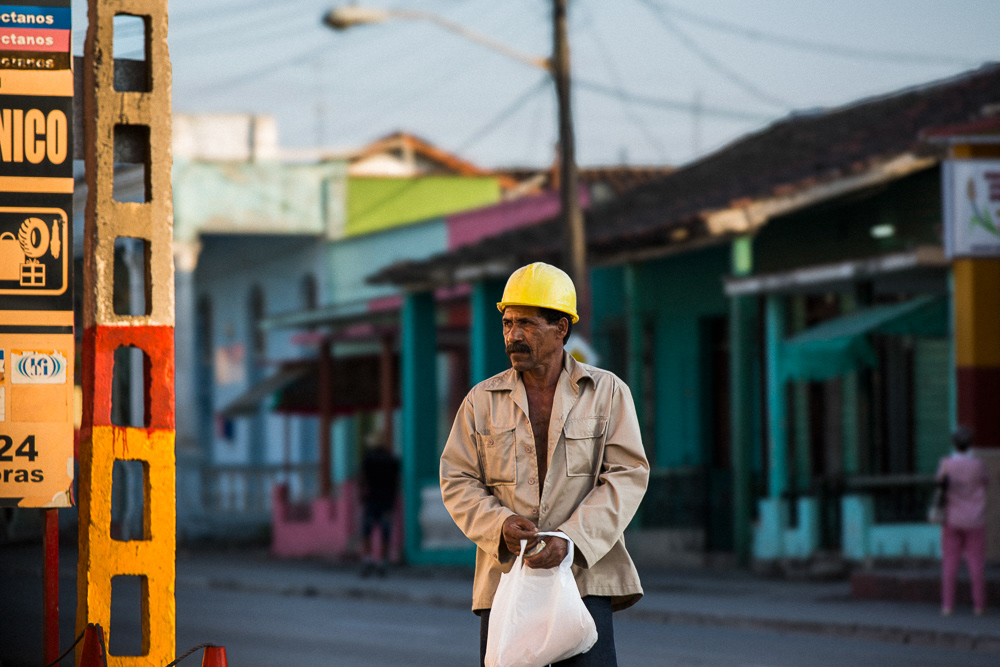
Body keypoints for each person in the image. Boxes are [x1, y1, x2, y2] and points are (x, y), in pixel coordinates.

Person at [440, 262, 649, 666]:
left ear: (561, 329)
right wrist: (498, 525)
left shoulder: (607, 393)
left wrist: (570, 540)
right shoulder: (480, 402)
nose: (514, 335)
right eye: (507, 323)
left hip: (584, 582)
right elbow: (457, 478)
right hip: (507, 584)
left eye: (528, 324)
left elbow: (628, 475)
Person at [937, 425, 990, 616]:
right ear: (970, 444)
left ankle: (948, 606)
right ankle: (979, 606)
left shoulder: (946, 464)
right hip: (975, 519)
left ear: (954, 443)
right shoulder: (978, 465)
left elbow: (940, 485)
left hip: (952, 518)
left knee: (950, 564)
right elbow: (986, 482)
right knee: (976, 565)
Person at [359, 430, 400, 577]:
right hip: (387, 501)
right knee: (385, 533)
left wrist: (361, 496)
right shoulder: (392, 460)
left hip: (371, 501)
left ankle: (368, 560)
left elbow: (362, 480)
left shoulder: (368, 459)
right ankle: (382, 562)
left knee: (367, 532)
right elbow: (397, 482)